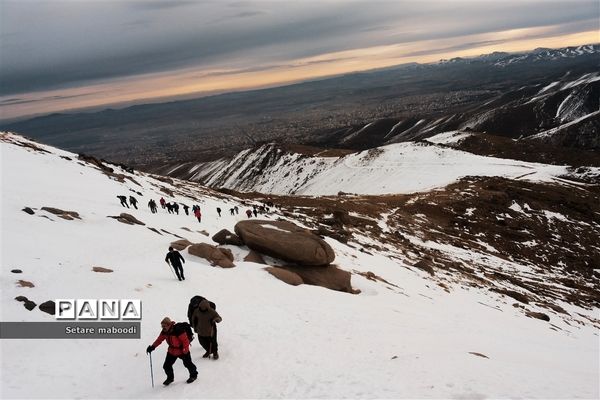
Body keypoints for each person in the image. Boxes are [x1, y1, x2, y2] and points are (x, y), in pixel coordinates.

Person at [146, 317, 197, 385]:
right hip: (172, 351)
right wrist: (152, 347)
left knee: (188, 364)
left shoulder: (178, 330)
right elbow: (159, 340)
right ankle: (170, 378)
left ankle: (194, 375)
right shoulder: (164, 332)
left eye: (164, 326)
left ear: (169, 325)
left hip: (182, 350)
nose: (163, 328)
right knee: (166, 366)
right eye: (162, 326)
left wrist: (185, 350)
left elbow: (185, 341)